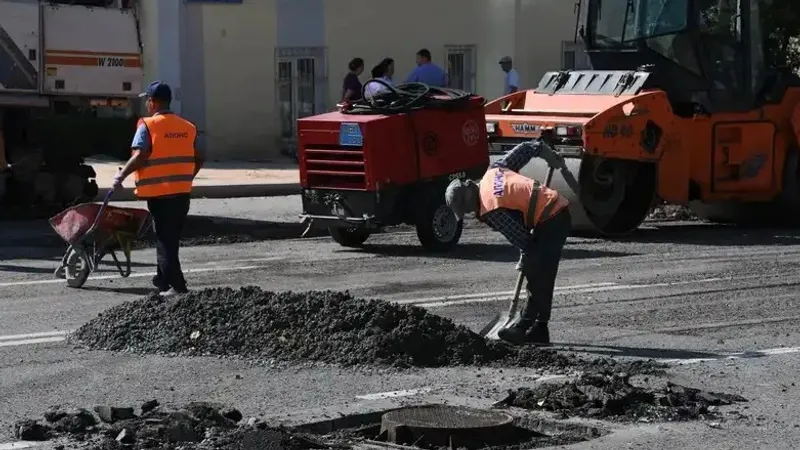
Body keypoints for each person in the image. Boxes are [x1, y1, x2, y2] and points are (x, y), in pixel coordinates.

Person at [444, 138, 571, 346]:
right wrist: (545, 152)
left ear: (469, 196)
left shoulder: (491, 208)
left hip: (551, 218)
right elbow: (525, 148)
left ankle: (523, 326)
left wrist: (526, 257)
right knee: (543, 272)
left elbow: (524, 241)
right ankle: (540, 329)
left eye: (466, 208)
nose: (469, 212)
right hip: (554, 212)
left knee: (537, 273)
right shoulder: (493, 171)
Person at [112, 81, 203, 297]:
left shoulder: (148, 125)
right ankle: (163, 281)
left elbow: (140, 155)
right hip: (181, 193)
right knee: (171, 238)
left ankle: (178, 287)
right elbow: (199, 158)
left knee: (165, 240)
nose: (147, 104)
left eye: (147, 100)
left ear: (152, 102)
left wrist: (120, 175)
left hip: (160, 194)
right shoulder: (187, 126)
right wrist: (186, 177)